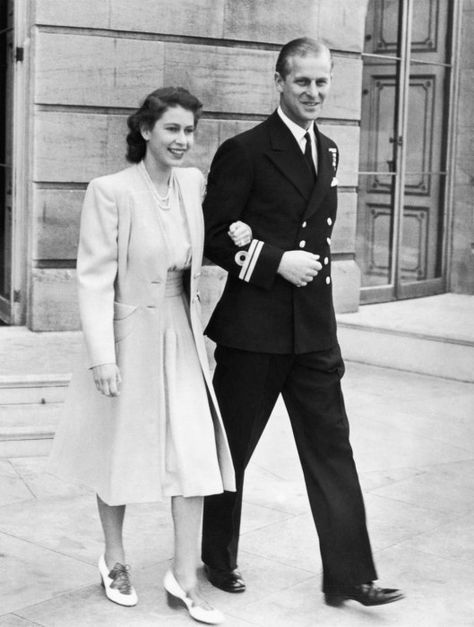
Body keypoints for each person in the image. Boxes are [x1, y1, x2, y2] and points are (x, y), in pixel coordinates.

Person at [201, 38, 404, 607]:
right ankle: (217, 555)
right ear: (279, 82)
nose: (313, 93)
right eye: (302, 83)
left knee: (333, 450)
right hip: (253, 334)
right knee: (232, 449)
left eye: (321, 82)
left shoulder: (332, 151)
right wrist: (272, 261)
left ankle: (351, 576)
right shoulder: (245, 150)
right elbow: (216, 235)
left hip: (312, 332)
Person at [49, 86, 250, 625]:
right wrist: (101, 356)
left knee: (193, 454)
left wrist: (243, 233)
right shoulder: (109, 190)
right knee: (118, 453)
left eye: (189, 131)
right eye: (172, 130)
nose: (183, 141)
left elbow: (217, 235)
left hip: (180, 333)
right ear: (145, 131)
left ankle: (183, 577)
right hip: (127, 336)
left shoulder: (193, 183)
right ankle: (114, 560)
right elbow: (93, 279)